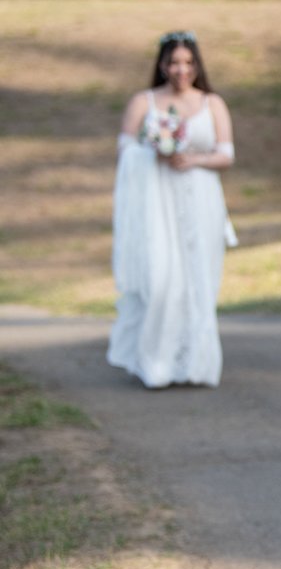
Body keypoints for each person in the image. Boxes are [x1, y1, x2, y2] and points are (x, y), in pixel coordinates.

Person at [107, 30, 237, 389]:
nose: (181, 70)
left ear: (197, 65)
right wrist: (156, 151)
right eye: (174, 62)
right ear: (163, 64)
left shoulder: (213, 104)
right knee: (162, 279)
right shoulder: (143, 102)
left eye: (188, 62)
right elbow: (125, 148)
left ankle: (196, 364)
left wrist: (193, 158)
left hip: (200, 198)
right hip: (156, 201)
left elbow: (227, 154)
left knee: (198, 279)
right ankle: (156, 363)